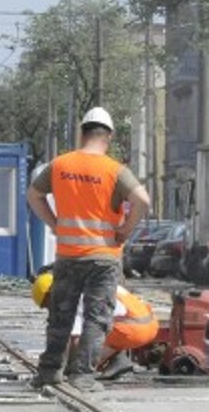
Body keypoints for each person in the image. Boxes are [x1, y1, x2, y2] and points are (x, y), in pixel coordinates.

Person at [27, 107, 151, 392]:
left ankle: (49, 372)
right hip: (104, 257)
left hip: (69, 254)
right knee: (96, 317)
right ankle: (82, 375)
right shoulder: (115, 170)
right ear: (108, 137)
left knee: (61, 315)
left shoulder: (60, 165)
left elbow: (33, 195)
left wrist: (55, 224)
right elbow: (142, 200)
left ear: (82, 133)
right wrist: (125, 230)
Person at [30, 266, 158, 380]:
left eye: (47, 304)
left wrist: (66, 366)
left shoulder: (74, 297)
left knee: (88, 335)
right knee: (97, 327)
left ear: (52, 293)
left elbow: (74, 339)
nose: (50, 309)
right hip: (151, 324)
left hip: (132, 329)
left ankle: (98, 366)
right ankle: (117, 360)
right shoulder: (91, 282)